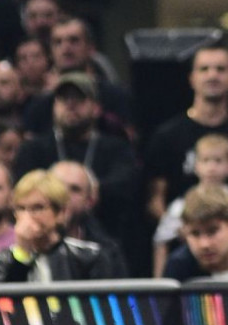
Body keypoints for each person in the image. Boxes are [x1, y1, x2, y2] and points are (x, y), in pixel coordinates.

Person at [144, 44, 228, 220]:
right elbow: (156, 201)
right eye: (204, 69)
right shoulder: (166, 137)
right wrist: (180, 230)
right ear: (192, 78)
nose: (212, 75)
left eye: (220, 69)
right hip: (182, 230)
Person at [13, 71, 136, 242]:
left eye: (79, 99)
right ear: (54, 106)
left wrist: (94, 189)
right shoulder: (33, 149)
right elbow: (22, 189)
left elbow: (126, 185)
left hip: (104, 235)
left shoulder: (117, 149)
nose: (70, 105)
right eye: (63, 99)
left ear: (96, 108)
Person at [152, 133, 228, 277]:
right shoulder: (181, 205)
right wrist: (160, 282)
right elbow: (161, 240)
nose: (211, 167)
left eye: (218, 161)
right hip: (194, 270)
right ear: (195, 165)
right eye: (205, 160)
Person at [0, 169, 114, 282]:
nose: (27, 216)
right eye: (21, 208)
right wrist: (23, 254)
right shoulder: (2, 261)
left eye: (37, 208)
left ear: (61, 213)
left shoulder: (89, 257)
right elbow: (5, 299)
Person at [49, 160, 129, 277]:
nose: (64, 194)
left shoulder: (107, 252)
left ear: (90, 201)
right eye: (58, 186)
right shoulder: (27, 242)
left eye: (74, 189)